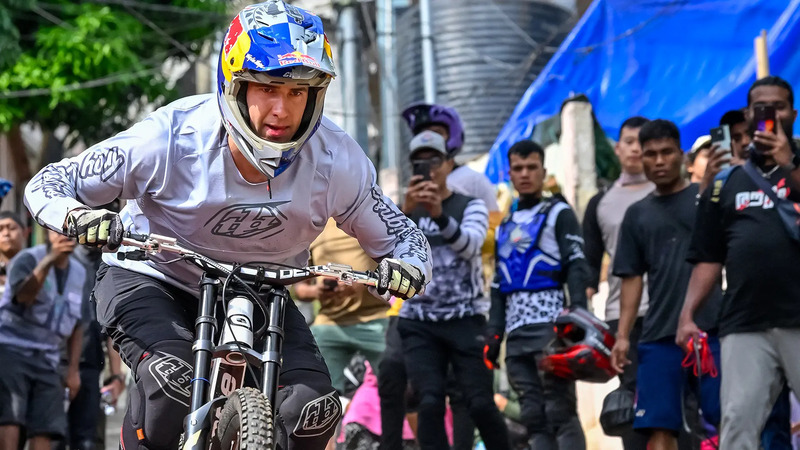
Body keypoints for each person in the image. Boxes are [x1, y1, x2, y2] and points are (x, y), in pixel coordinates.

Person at [23, 2, 431, 449]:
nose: (282, 109)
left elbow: (403, 236)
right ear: (234, 85)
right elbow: (51, 181)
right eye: (268, 88)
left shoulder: (339, 159)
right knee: (171, 384)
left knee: (313, 413)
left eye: (299, 93)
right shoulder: (168, 136)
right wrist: (79, 216)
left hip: (262, 289)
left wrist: (406, 266)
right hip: (153, 276)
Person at [678, 75, 800, 450]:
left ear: (793, 114)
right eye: (760, 108)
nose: (769, 114)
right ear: (748, 115)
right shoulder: (724, 182)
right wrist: (687, 314)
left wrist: (788, 164)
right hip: (744, 322)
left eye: (778, 106)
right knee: (737, 427)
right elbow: (710, 256)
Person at [610, 119, 723, 450]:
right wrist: (622, 337)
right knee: (659, 431)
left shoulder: (707, 201)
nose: (658, 161)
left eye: (666, 152)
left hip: (712, 332)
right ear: (641, 159)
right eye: (650, 154)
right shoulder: (637, 215)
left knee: (727, 419)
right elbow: (631, 278)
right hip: (659, 336)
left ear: (682, 155)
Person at [397, 130, 508, 450]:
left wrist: (439, 215)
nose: (427, 167)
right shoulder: (405, 209)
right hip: (419, 320)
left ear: (448, 164)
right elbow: (387, 253)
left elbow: (472, 246)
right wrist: (405, 212)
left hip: (465, 318)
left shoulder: (469, 204)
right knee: (428, 401)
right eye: (419, 161)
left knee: (480, 403)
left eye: (433, 160)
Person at [484, 140, 590, 450]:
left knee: (559, 411)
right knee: (532, 415)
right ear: (509, 173)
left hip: (552, 330)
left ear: (544, 171)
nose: (526, 174)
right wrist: (493, 336)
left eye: (532, 168)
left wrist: (578, 315)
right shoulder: (504, 226)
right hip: (516, 338)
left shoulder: (559, 213)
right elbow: (498, 286)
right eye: (518, 168)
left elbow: (577, 265)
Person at [582, 116, 652, 449]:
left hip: (671, 312)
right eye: (629, 141)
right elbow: (590, 267)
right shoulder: (600, 203)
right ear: (617, 147)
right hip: (622, 318)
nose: (636, 148)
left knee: (679, 402)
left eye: (643, 141)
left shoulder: (673, 192)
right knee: (630, 404)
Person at [0, 229, 85, 450]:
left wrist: (73, 370)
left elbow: (78, 324)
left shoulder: (79, 272)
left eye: (70, 231)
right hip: (11, 350)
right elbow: (23, 297)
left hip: (48, 358)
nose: (64, 235)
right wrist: (49, 261)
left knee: (46, 426)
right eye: (57, 230)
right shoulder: (28, 258)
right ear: (47, 232)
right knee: (10, 417)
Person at [0, 211, 29, 295]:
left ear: (25, 233)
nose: (6, 233)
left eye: (12, 228)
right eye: (0, 229)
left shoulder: (34, 264)